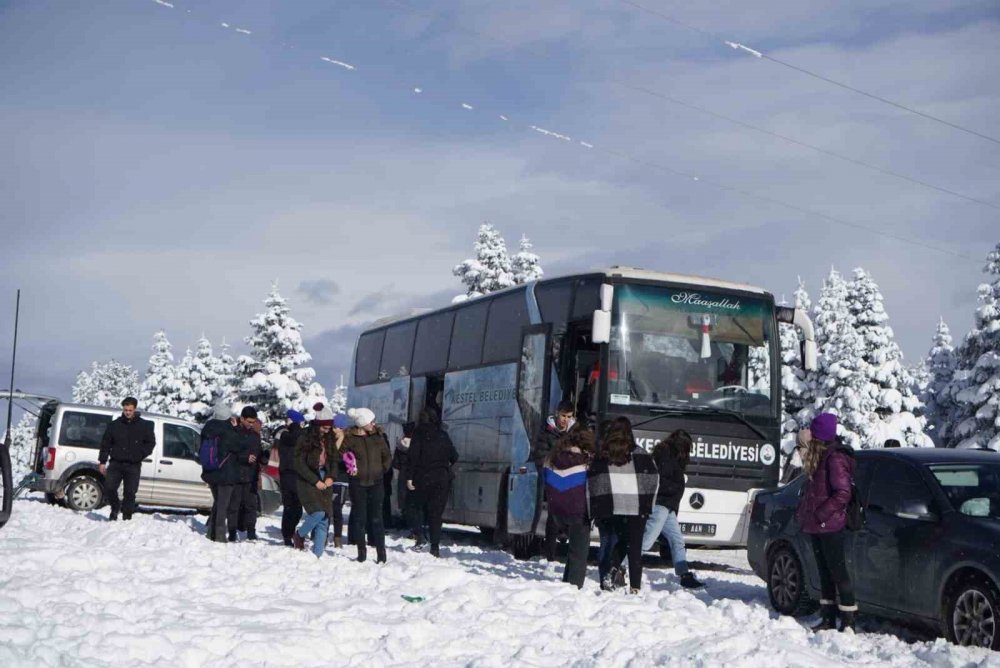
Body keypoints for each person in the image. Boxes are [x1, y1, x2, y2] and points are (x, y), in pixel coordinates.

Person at [796, 413, 857, 632]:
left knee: (838, 572)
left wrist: (822, 514)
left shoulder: (834, 458)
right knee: (825, 573)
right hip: (818, 525)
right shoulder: (820, 456)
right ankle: (828, 618)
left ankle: (848, 620)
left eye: (813, 432)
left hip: (831, 525)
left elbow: (843, 493)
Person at [588, 416, 659, 594]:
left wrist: (597, 507)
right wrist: (647, 504)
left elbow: (594, 481)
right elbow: (652, 479)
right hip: (636, 507)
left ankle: (609, 572)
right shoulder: (641, 454)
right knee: (634, 547)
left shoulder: (604, 454)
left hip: (612, 506)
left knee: (618, 542)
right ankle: (634, 587)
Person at [641, 430, 703, 589]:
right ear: (681, 446)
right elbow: (661, 482)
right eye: (687, 448)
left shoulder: (669, 456)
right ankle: (621, 566)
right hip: (661, 504)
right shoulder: (666, 457)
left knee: (677, 541)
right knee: (646, 541)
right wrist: (675, 488)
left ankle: (684, 574)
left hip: (668, 506)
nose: (688, 453)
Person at [542, 422, 593, 588]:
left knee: (573, 552)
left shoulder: (552, 457)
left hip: (556, 511)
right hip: (578, 512)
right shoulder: (586, 461)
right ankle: (574, 588)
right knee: (579, 553)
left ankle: (566, 584)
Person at [405, 408, 458, 557]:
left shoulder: (418, 435)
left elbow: (413, 457)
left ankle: (420, 536)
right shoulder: (443, 435)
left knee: (414, 507)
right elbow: (455, 456)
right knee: (436, 514)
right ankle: (435, 547)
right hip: (441, 478)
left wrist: (409, 477)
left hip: (422, 477)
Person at [342, 407, 392, 563]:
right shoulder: (350, 439)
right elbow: (340, 457)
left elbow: (387, 457)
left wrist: (381, 471)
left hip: (376, 483)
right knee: (360, 518)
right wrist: (349, 469)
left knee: (377, 519)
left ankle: (381, 554)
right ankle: (361, 553)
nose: (374, 423)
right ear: (362, 423)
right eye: (371, 421)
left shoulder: (378, 437)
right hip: (358, 484)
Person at [530, 400, 576, 560]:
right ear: (557, 413)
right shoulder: (546, 433)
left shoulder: (575, 434)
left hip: (572, 480)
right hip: (554, 480)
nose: (565, 420)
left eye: (569, 416)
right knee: (553, 518)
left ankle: (572, 553)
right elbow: (540, 457)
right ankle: (549, 553)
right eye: (563, 415)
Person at [291, 404, 338, 558]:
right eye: (324, 427)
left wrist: (331, 476)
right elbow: (298, 462)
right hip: (308, 479)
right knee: (317, 512)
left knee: (325, 517)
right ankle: (299, 534)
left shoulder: (330, 438)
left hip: (325, 476)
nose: (327, 430)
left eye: (329, 427)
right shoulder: (305, 437)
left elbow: (334, 460)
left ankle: (318, 555)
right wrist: (315, 480)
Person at [98, 397, 155, 521]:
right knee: (109, 488)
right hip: (116, 463)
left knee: (130, 493)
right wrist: (102, 461)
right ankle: (115, 507)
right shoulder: (114, 425)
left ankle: (127, 516)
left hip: (133, 465)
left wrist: (140, 454)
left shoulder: (144, 425)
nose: (128, 412)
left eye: (130, 410)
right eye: (125, 410)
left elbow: (150, 443)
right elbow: (105, 444)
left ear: (135, 409)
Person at [201, 401, 241, 542]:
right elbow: (238, 445)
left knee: (218, 502)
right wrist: (236, 428)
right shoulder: (228, 429)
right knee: (223, 506)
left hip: (211, 471)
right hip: (226, 473)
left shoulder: (207, 428)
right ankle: (219, 536)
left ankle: (210, 533)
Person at [227, 406, 262, 542]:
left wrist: (262, 457)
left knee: (251, 506)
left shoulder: (255, 436)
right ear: (242, 419)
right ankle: (232, 531)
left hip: (251, 476)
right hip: (236, 474)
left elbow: (257, 453)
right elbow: (230, 453)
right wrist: (244, 457)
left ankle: (251, 532)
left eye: (253, 422)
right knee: (234, 505)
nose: (251, 424)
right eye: (249, 421)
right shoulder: (234, 433)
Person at [278, 409, 307, 546]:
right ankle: (289, 534)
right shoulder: (291, 435)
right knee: (295, 507)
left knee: (291, 507)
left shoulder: (285, 435)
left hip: (288, 475)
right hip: (296, 474)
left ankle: (288, 534)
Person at [329, 413, 351, 548]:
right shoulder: (330, 440)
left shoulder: (348, 442)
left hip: (342, 480)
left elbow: (338, 458)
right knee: (326, 509)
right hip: (329, 478)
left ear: (342, 428)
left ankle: (338, 537)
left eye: (336, 428)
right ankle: (320, 534)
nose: (333, 430)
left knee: (337, 510)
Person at [393, 422, 416, 538]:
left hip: (403, 474)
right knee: (413, 501)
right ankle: (414, 526)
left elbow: (395, 463)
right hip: (414, 474)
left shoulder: (400, 444)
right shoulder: (417, 444)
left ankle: (405, 520)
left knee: (403, 498)